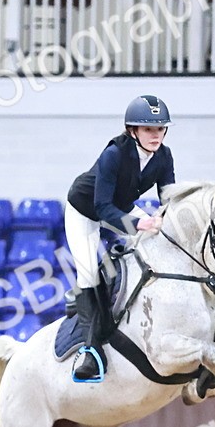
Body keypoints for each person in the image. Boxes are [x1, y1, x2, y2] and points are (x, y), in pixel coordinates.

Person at [64, 94, 176, 382]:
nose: (156, 135)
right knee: (89, 274)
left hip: (120, 207)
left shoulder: (164, 156)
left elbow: (168, 199)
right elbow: (102, 208)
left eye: (160, 128)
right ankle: (90, 351)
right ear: (132, 131)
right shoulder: (113, 154)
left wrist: (168, 221)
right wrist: (138, 224)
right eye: (149, 129)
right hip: (85, 209)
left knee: (158, 237)